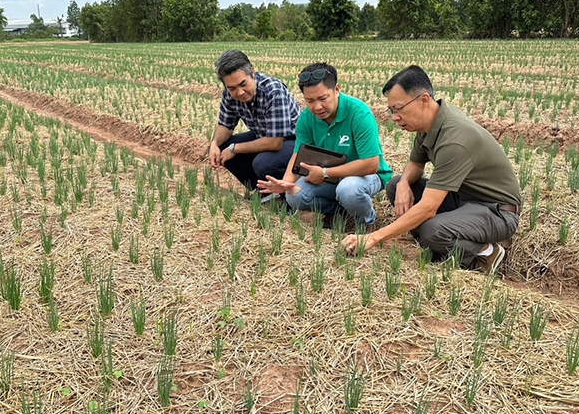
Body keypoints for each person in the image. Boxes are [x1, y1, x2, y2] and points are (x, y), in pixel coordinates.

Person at [341, 65, 521, 275]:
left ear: (424, 100)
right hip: (464, 199)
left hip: (496, 211)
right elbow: (416, 164)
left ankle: (485, 252)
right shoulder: (430, 123)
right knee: (395, 186)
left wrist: (373, 238)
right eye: (392, 111)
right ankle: (439, 247)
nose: (394, 117)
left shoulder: (454, 140)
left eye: (399, 109)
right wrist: (404, 184)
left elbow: (428, 208)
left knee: (431, 229)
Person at [257, 62, 392, 228]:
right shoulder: (306, 118)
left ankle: (366, 221)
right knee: (294, 196)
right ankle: (338, 209)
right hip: (330, 175)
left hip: (366, 175)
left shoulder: (358, 113)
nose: (317, 107)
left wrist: (325, 173)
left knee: (348, 190)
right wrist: (286, 183)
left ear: (336, 90)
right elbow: (298, 155)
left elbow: (371, 164)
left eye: (323, 98)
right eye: (310, 101)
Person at [208, 50, 301, 192]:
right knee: (222, 148)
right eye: (232, 88)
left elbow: (274, 142)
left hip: (295, 141)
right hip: (264, 136)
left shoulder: (273, 91)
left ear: (252, 72)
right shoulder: (229, 94)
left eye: (243, 84)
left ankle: (288, 194)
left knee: (263, 163)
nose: (240, 92)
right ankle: (261, 191)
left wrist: (235, 148)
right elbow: (225, 125)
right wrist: (214, 144)